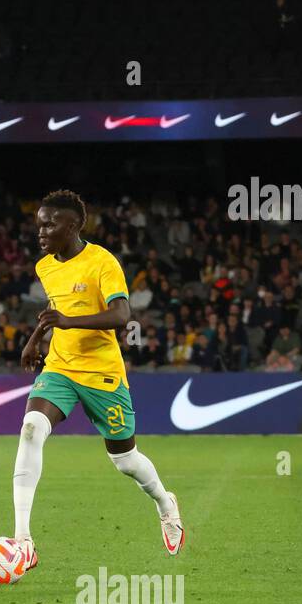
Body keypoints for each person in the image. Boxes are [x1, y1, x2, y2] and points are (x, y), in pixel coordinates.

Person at [14, 190, 185, 567]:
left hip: (102, 373)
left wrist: (68, 323)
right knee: (31, 428)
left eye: (50, 223)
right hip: (60, 366)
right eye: (39, 223)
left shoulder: (102, 262)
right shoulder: (45, 266)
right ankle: (23, 540)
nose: (41, 231)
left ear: (74, 225)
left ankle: (164, 502)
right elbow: (56, 309)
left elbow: (122, 315)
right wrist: (35, 339)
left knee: (125, 460)